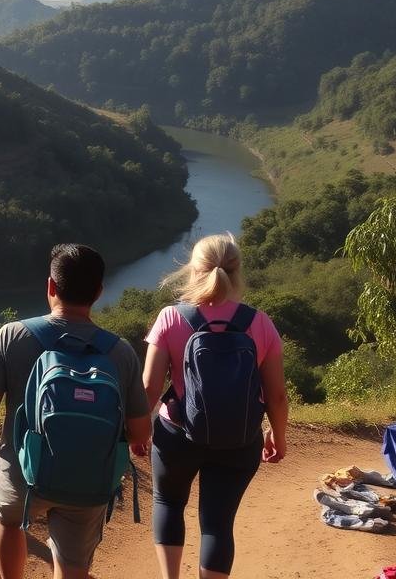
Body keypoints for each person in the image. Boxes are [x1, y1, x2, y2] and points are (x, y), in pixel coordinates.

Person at [0, 244, 152, 579]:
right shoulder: (120, 352)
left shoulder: (14, 335)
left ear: (51, 286)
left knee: (9, 522)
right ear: (99, 292)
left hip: (22, 472)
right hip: (89, 478)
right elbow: (140, 433)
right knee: (73, 563)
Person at [142, 233, 289, 579]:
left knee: (168, 504)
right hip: (239, 440)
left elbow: (149, 387)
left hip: (177, 434)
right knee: (218, 524)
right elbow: (277, 395)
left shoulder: (170, 318)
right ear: (238, 274)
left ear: (193, 271)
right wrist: (277, 436)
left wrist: (138, 429)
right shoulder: (260, 322)